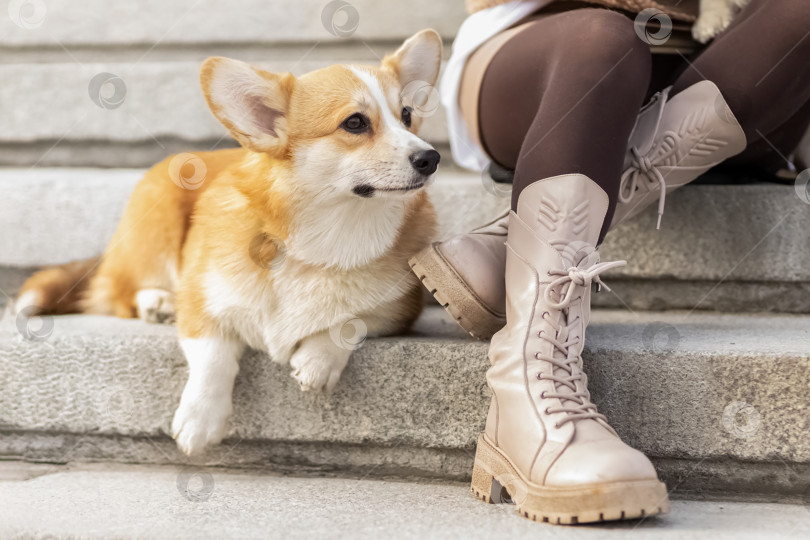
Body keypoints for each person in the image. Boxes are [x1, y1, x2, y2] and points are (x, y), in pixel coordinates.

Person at [409, 0, 810, 525]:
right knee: (607, 39)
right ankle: (530, 380)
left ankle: (519, 244)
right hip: (554, 53)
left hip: (732, 65)